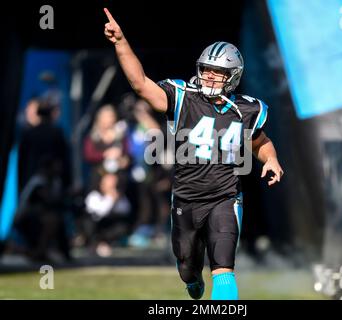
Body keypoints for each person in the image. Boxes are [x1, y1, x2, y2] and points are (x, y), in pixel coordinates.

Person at [104, 8, 284, 300]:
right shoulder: (182, 96)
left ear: (233, 76)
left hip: (225, 198)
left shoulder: (247, 109)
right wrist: (121, 42)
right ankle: (191, 281)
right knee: (188, 266)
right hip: (186, 198)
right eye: (207, 69)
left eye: (219, 71)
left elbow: (260, 142)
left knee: (223, 266)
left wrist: (271, 159)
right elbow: (140, 84)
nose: (211, 76)